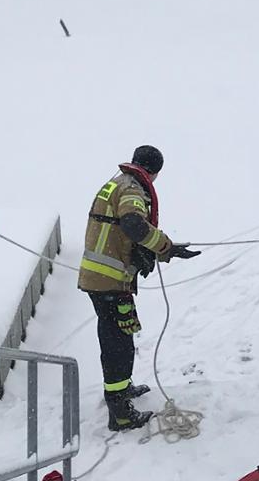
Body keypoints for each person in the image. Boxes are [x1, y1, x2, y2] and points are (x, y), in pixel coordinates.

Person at [77, 145, 201, 431]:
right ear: (153, 171)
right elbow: (134, 224)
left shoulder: (117, 184)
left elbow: (123, 230)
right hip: (110, 278)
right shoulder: (132, 189)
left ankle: (121, 391)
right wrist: (165, 246)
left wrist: (164, 251)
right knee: (117, 342)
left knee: (119, 336)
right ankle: (119, 410)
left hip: (101, 277)